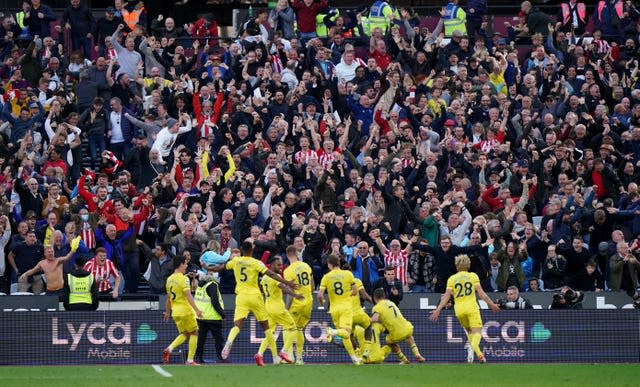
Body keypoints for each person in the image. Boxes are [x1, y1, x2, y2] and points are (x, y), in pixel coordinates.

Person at [210, 241, 296, 364]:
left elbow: (221, 268)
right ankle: (275, 356)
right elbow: (271, 274)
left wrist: (208, 268)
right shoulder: (256, 263)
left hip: (241, 296)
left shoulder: (236, 261)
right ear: (252, 250)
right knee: (267, 328)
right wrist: (288, 283)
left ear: (242, 250)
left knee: (237, 326)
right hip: (255, 296)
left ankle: (229, 342)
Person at [430, 254, 500, 363]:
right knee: (478, 333)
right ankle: (475, 350)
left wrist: (438, 309)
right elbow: (481, 294)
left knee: (469, 332)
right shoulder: (473, 276)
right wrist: (492, 304)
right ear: (469, 264)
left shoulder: (452, 279)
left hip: (459, 310)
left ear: (456, 265)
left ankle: (475, 353)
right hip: (471, 307)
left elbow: (446, 296)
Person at [256, 255, 303, 366]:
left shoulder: (264, 278)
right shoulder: (275, 276)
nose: (281, 267)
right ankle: (284, 351)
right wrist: (295, 295)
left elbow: (262, 289)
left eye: (281, 264)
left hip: (268, 307)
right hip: (278, 308)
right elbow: (283, 287)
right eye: (278, 265)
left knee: (270, 333)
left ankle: (259, 354)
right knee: (293, 328)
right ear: (271, 265)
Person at [317, 254, 361, 364]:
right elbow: (355, 291)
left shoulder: (326, 277)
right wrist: (347, 294)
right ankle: (331, 331)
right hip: (345, 307)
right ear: (339, 263)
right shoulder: (348, 274)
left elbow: (320, 295)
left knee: (344, 336)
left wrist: (322, 302)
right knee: (347, 333)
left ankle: (354, 359)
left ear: (329, 265)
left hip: (334, 309)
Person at [162, 253, 204, 366]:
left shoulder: (169, 279)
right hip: (185, 310)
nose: (186, 266)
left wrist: (167, 312)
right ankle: (190, 360)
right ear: (180, 264)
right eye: (185, 264)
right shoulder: (184, 279)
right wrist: (197, 310)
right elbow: (188, 295)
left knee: (185, 333)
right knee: (194, 332)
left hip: (175, 312)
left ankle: (169, 349)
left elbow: (169, 298)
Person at [369, 287, 424, 364]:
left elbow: (374, 319)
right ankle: (417, 354)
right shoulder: (391, 302)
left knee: (388, 341)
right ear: (384, 296)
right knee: (409, 336)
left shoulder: (377, 307)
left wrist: (366, 321)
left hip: (397, 334)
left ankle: (404, 360)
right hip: (408, 328)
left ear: (374, 298)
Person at [282, 245, 314, 365]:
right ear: (297, 253)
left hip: (296, 303)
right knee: (300, 329)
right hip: (308, 301)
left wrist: (286, 307)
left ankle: (289, 355)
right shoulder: (306, 266)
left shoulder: (288, 271)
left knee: (287, 327)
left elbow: (290, 292)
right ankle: (300, 359)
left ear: (287, 255)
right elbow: (312, 285)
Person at [194, 272, 225, 364]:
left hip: (201, 317)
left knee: (201, 339)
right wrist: (222, 314)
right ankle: (220, 357)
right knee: (218, 339)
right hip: (213, 317)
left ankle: (198, 358)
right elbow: (215, 302)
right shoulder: (212, 285)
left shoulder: (200, 285)